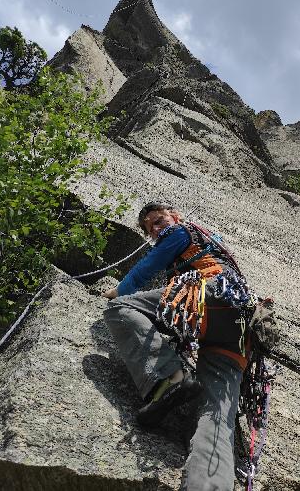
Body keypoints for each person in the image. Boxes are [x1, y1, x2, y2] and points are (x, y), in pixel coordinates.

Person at [102, 202, 250, 491]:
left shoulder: (181, 232)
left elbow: (144, 270)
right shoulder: (210, 244)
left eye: (158, 221)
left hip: (207, 300)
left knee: (120, 309)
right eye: (150, 228)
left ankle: (169, 377)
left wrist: (115, 292)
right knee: (214, 422)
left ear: (175, 217)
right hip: (240, 329)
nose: (156, 229)